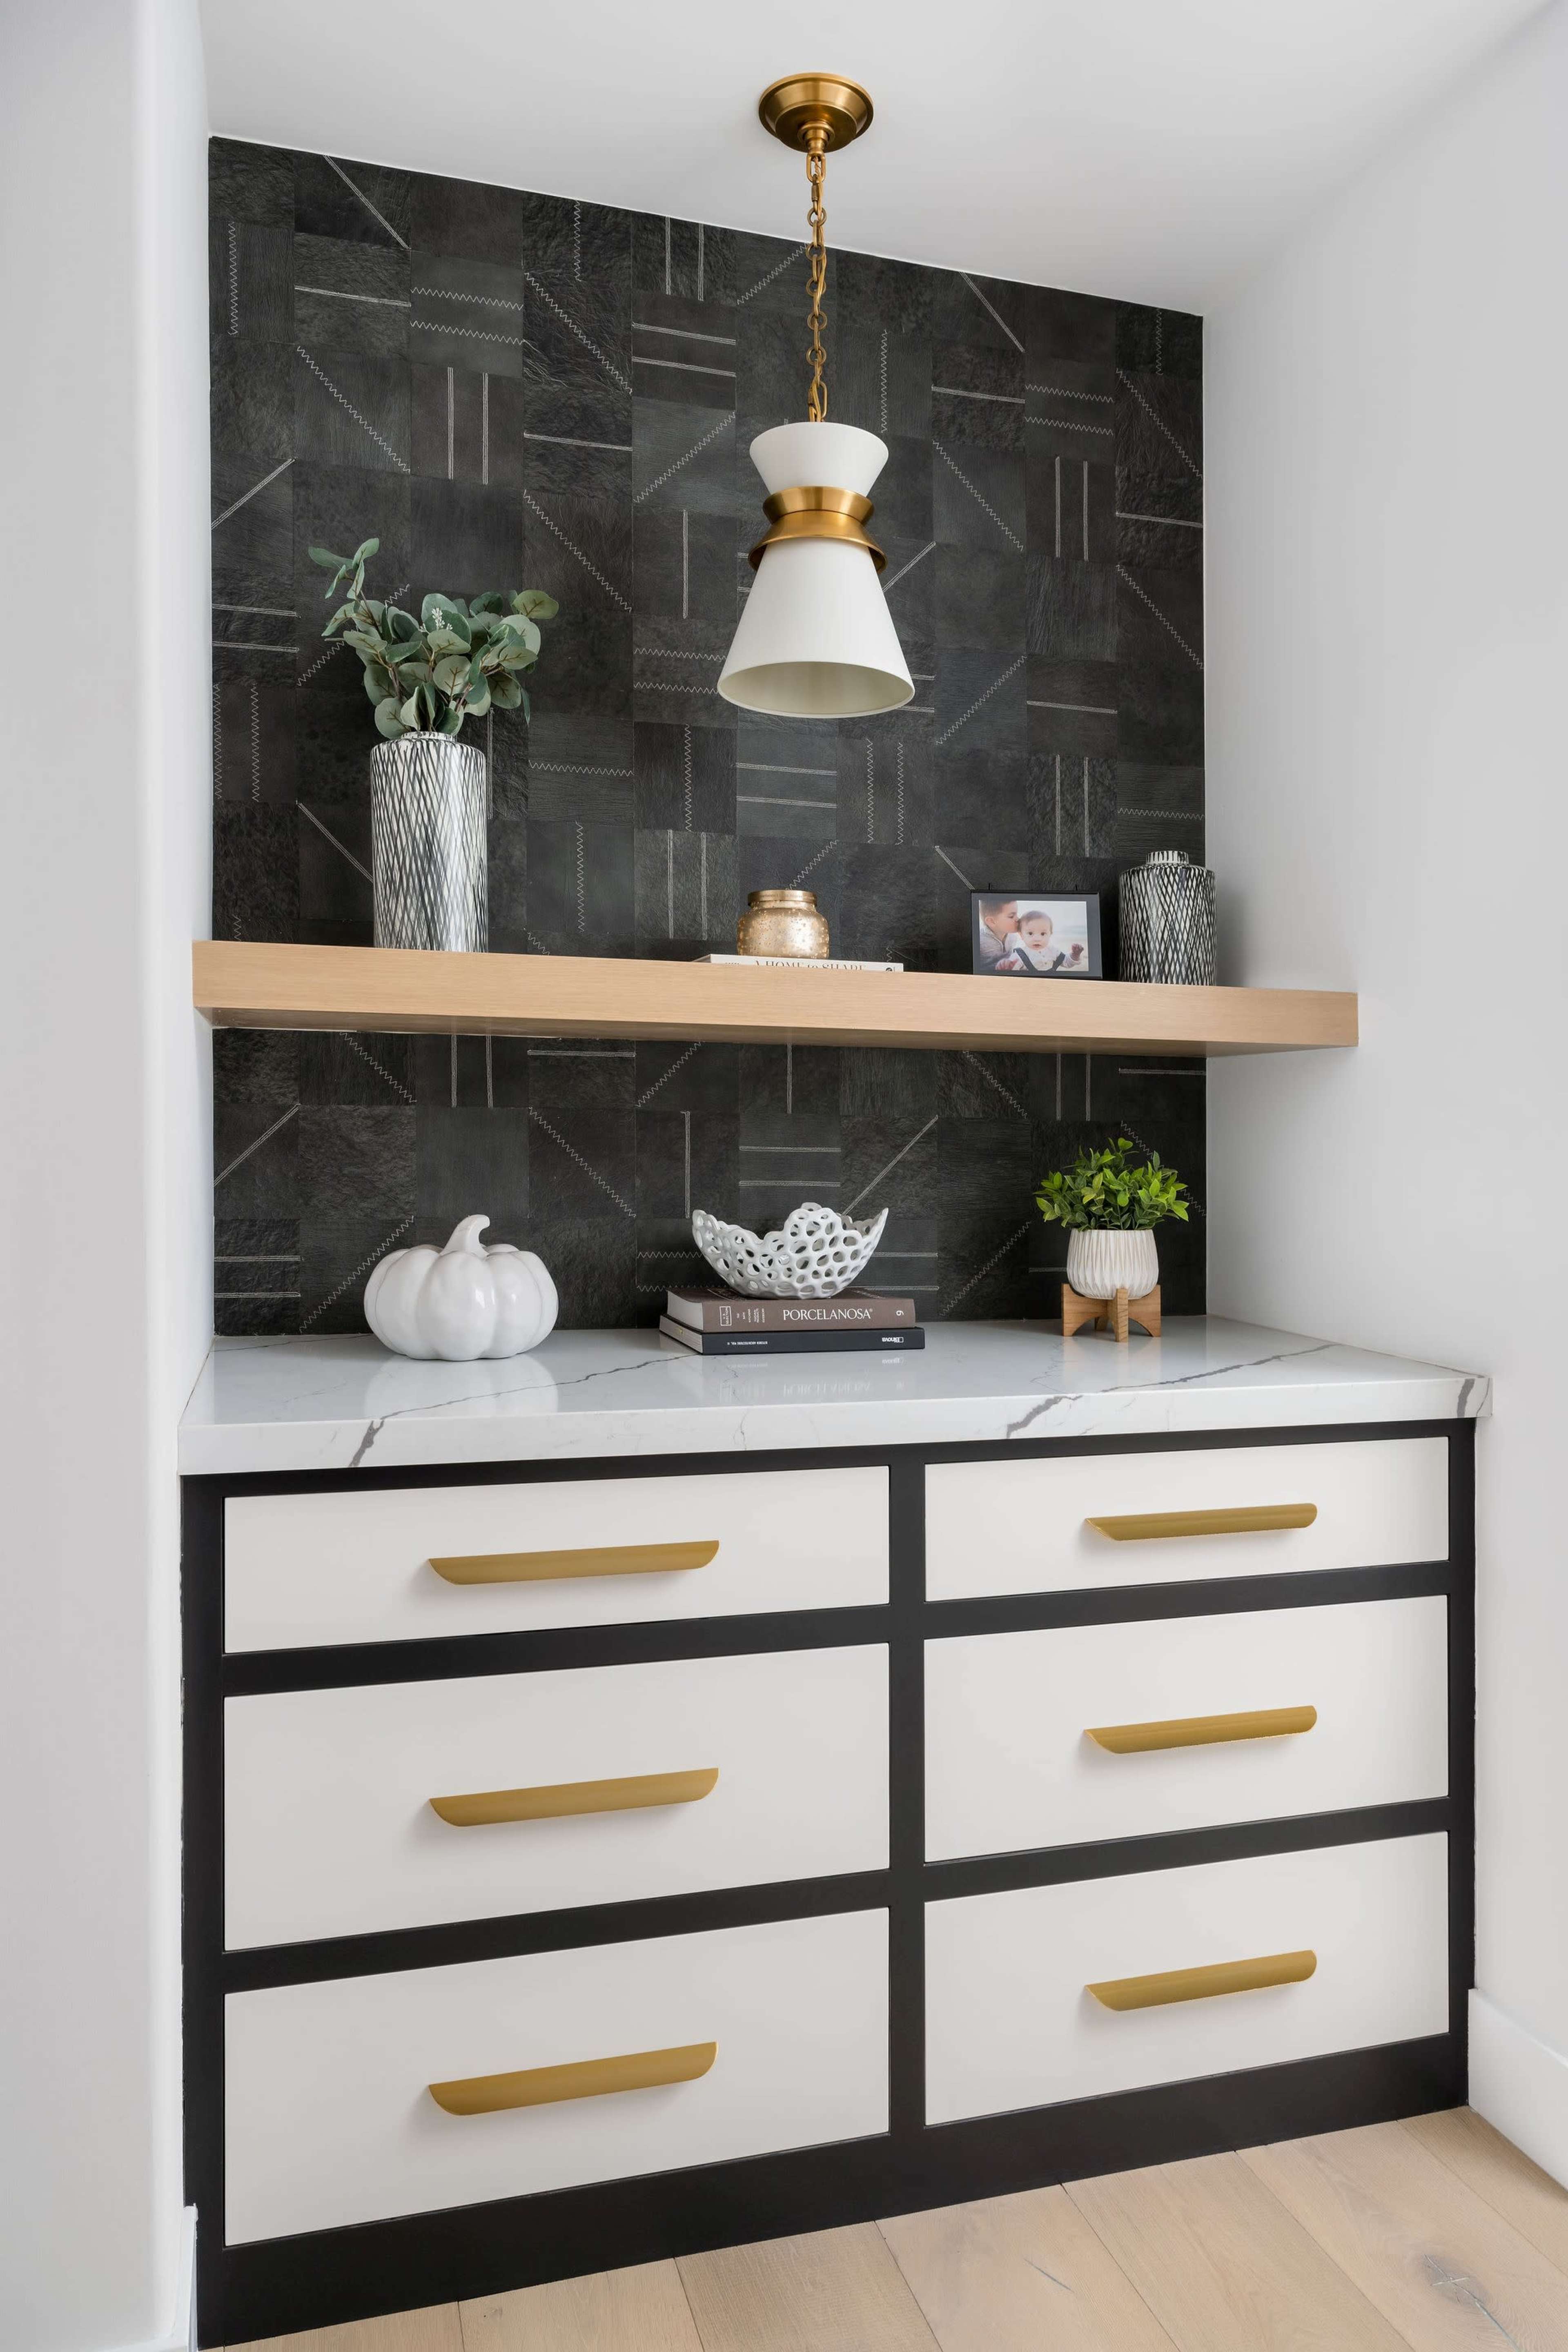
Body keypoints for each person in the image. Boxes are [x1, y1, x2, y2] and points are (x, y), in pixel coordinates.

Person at [1002, 907, 1087, 974]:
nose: (1037, 939)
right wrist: (1008, 967)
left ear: (1050, 934)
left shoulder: (1053, 951)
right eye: (1031, 934)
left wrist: (1075, 956)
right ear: (1021, 935)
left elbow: (1067, 963)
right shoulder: (1020, 955)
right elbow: (1011, 974)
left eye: (1043, 934)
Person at [975, 895, 1018, 968]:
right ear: (992, 922)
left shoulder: (1013, 937)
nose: (1018, 919)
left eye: (1017, 914)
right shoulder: (980, 942)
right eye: (1011, 916)